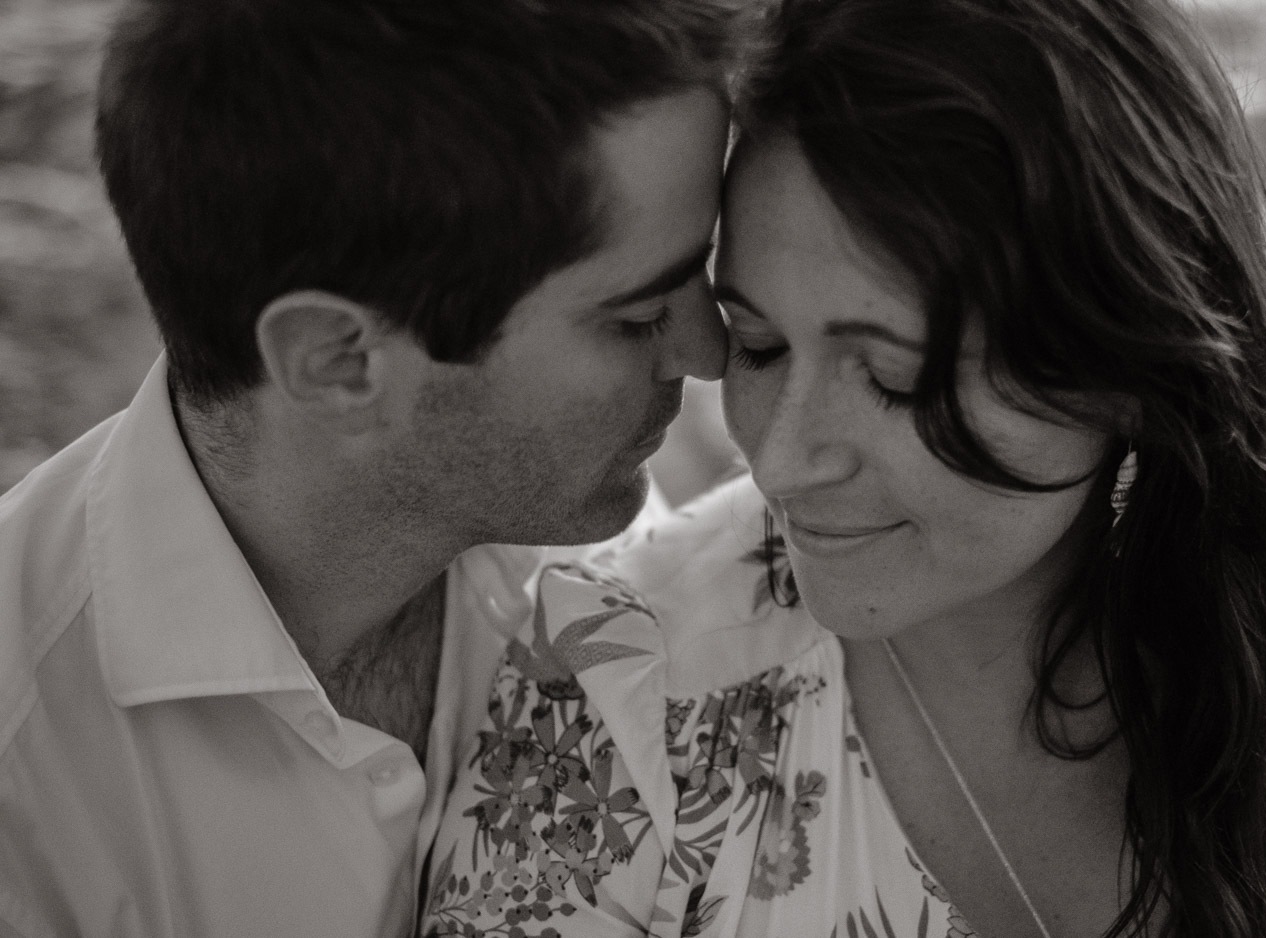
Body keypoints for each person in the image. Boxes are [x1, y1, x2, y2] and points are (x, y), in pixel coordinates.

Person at [423, 0, 1266, 935]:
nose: (785, 456)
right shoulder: (610, 701)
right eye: (757, 345)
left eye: (893, 378)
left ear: (1125, 362)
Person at [0, 0, 741, 935]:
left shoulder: (605, 556)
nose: (707, 354)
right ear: (338, 360)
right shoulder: (25, 788)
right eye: (634, 318)